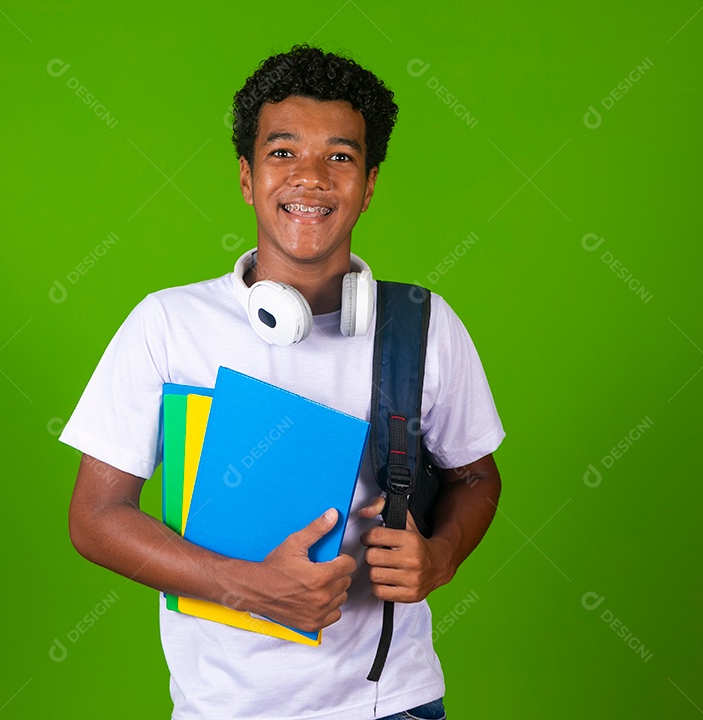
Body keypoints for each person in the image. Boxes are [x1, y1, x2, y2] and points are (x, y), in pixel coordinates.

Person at [61, 44, 504, 720]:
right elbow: (95, 519)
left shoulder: (421, 325)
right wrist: (248, 587)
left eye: (341, 157)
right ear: (246, 177)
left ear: (370, 182)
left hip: (392, 702)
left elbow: (477, 477)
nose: (312, 179)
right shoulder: (169, 324)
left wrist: (440, 557)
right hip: (222, 708)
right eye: (283, 152)